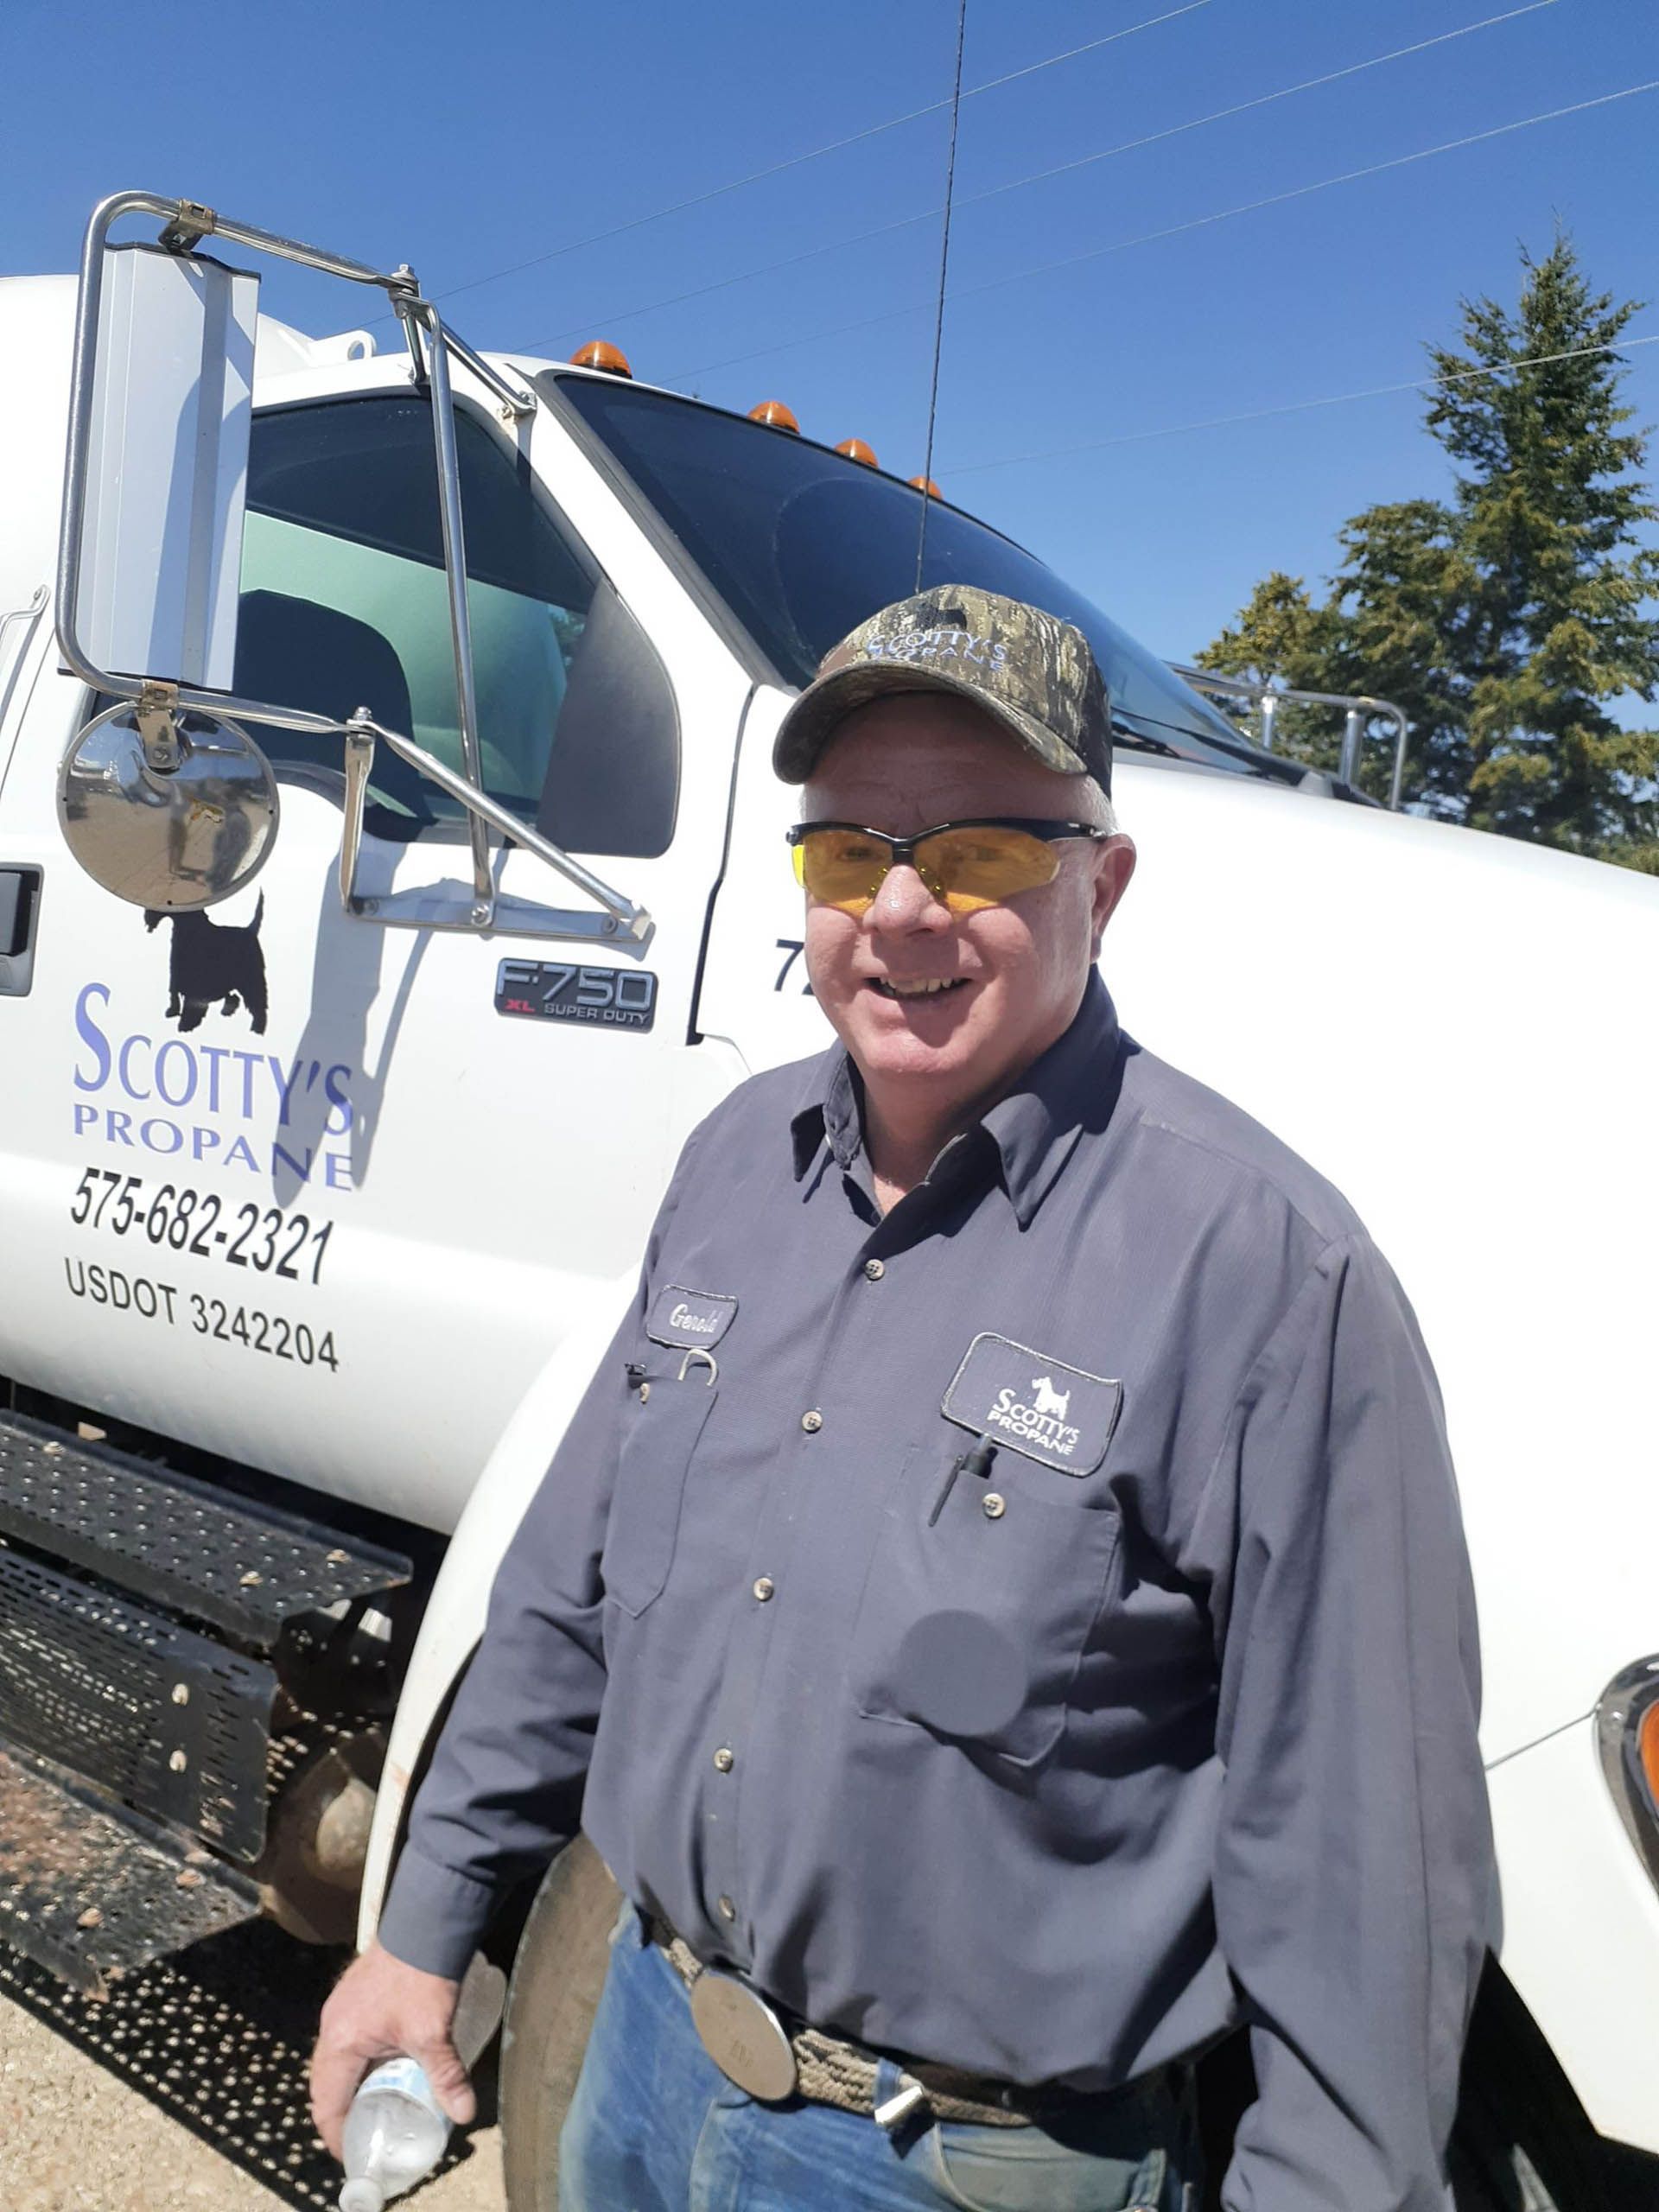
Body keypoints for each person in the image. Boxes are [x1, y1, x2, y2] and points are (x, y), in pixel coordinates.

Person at [311, 586, 1497, 2209]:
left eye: (985, 853)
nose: (906, 908)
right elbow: (566, 1599)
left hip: (965, 2166)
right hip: (638, 2068)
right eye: (849, 852)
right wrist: (422, 1924)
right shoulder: (735, 1168)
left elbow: (1363, 1872)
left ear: (1108, 882)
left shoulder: (1268, 1280)